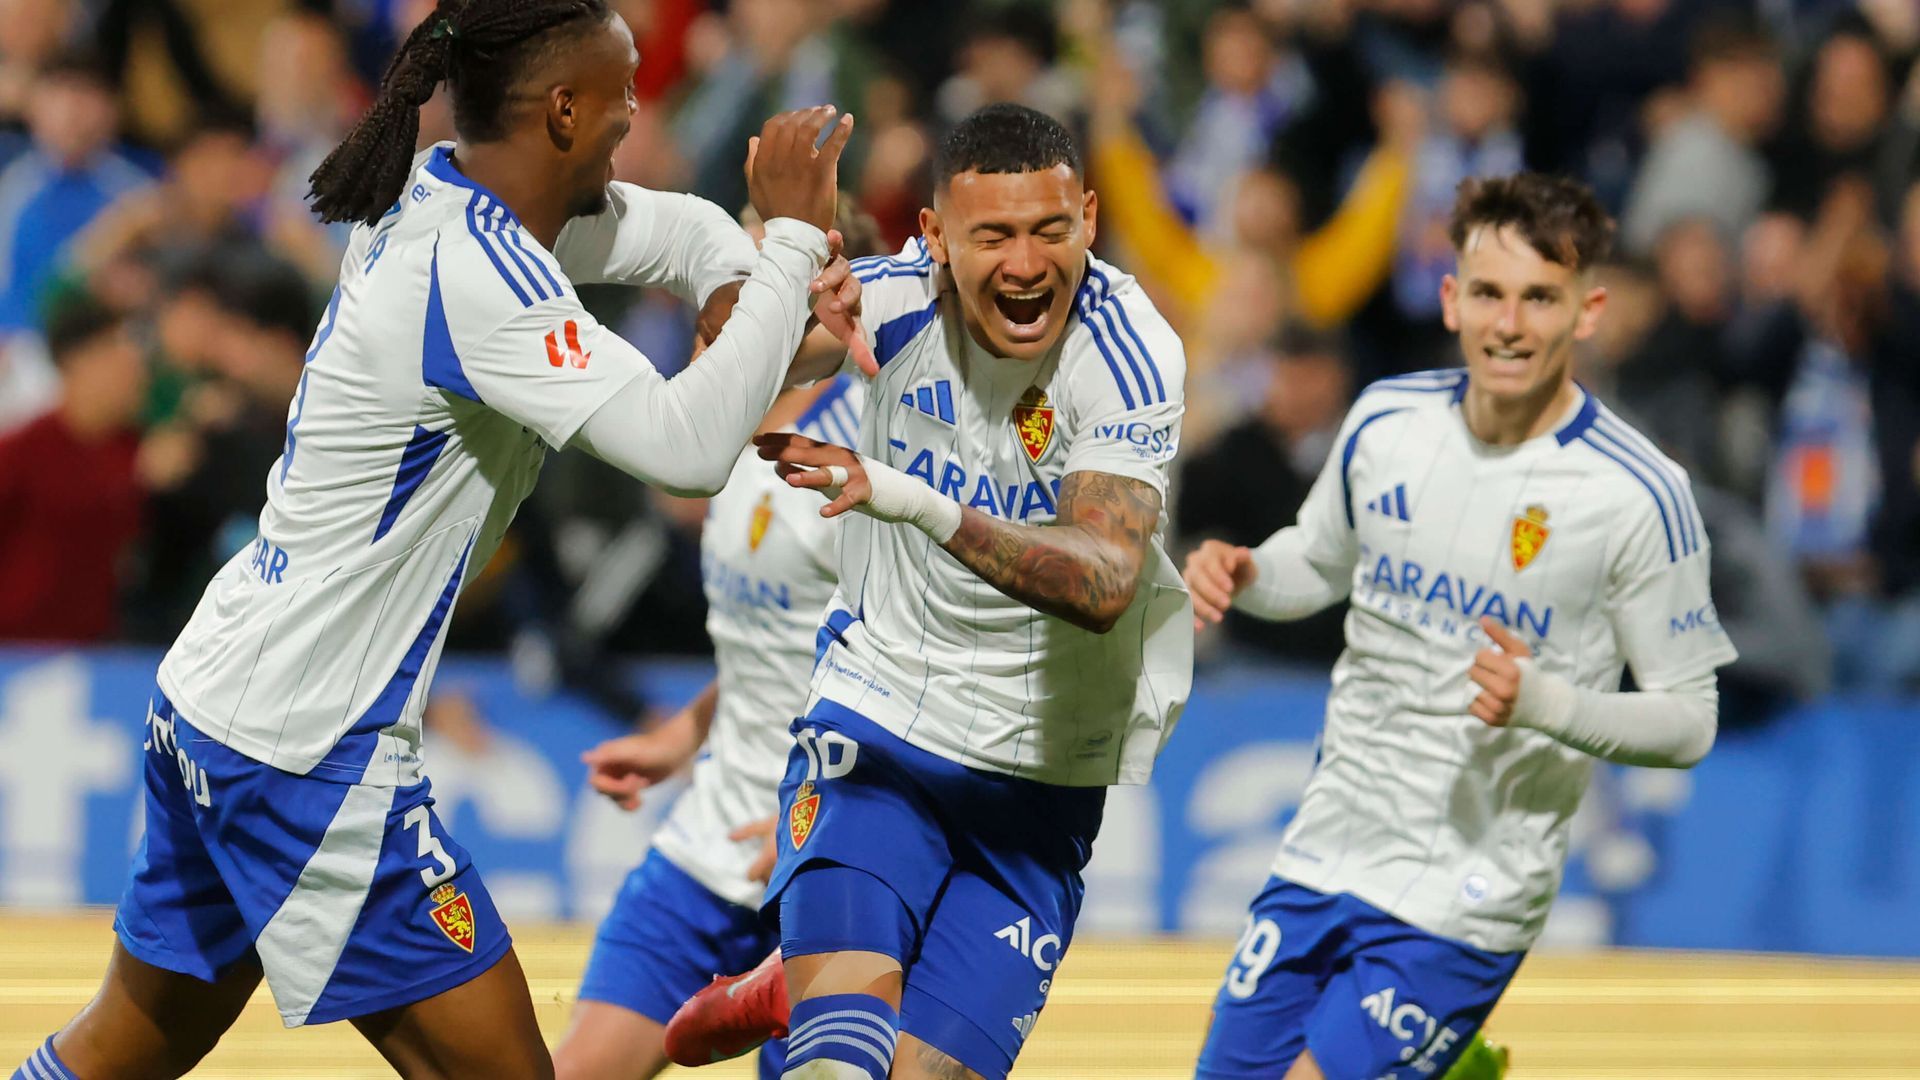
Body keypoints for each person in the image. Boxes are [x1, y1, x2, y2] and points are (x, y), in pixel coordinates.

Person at [9, 0, 862, 1075]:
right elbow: (688, 449)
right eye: (624, 92)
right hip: (310, 744)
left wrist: (744, 287)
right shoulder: (479, 274)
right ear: (562, 110)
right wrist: (785, 244)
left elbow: (684, 231)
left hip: (224, 698)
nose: (639, 113)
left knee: (120, 1051)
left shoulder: (460, 194)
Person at [667, 102, 1193, 1080]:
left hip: (1042, 781)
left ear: (1090, 215)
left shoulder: (1129, 354)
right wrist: (784, 262)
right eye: (992, 236)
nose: (1027, 265)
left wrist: (919, 504)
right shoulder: (890, 301)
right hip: (879, 732)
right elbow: (721, 371)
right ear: (937, 238)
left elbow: (1105, 579)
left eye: (1052, 230)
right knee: (838, 1068)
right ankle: (824, 985)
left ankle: (795, 980)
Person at [1182, 173, 1739, 1079]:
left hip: (1469, 892)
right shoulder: (1385, 421)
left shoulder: (1640, 495)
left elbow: (1689, 719)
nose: (1508, 324)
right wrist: (1248, 573)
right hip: (1328, 849)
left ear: (1587, 310)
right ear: (1450, 298)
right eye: (1487, 292)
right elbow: (1317, 565)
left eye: (1538, 298)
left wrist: (1546, 701)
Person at [555, 373, 866, 1080]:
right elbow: (780, 642)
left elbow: (921, 661)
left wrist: (832, 819)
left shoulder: (877, 431)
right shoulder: (725, 414)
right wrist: (683, 736)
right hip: (710, 844)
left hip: (831, 865)